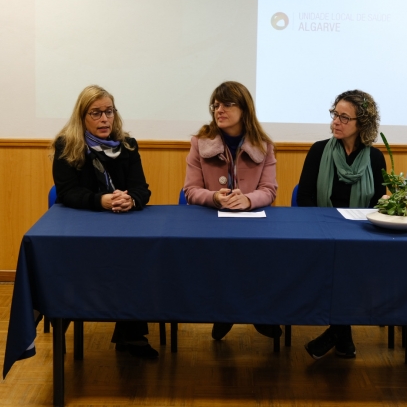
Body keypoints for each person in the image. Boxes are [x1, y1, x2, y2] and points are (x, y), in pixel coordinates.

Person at [50, 84, 157, 359]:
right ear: (82, 117)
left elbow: (142, 188)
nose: (104, 119)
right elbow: (67, 192)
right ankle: (66, 316)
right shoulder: (67, 145)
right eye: (96, 113)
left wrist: (130, 199)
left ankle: (131, 335)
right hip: (83, 228)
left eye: (109, 112)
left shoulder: (127, 145)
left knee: (139, 257)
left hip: (124, 226)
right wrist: (102, 201)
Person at [183, 80, 280, 341]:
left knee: (263, 255)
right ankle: (224, 312)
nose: (219, 110)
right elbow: (190, 190)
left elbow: (269, 190)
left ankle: (258, 312)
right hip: (211, 221)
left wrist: (247, 200)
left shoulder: (264, 145)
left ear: (244, 109)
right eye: (215, 105)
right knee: (221, 255)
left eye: (227, 104)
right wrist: (215, 197)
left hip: (252, 221)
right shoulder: (200, 143)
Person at [297, 89, 386, 360]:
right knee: (338, 261)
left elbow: (377, 204)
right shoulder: (318, 151)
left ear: (362, 123)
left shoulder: (375, 159)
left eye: (344, 117)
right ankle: (342, 336)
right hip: (321, 232)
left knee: (350, 260)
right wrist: (324, 229)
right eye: (334, 114)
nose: (336, 121)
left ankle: (338, 335)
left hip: (361, 235)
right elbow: (304, 198)